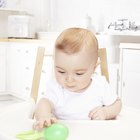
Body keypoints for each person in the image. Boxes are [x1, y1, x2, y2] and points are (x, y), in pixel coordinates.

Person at [33, 27, 122, 130]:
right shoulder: (56, 88)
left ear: (94, 68)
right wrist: (44, 115)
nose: (69, 80)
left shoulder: (100, 85)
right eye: (61, 71)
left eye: (79, 73)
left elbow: (117, 104)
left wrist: (106, 112)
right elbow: (44, 103)